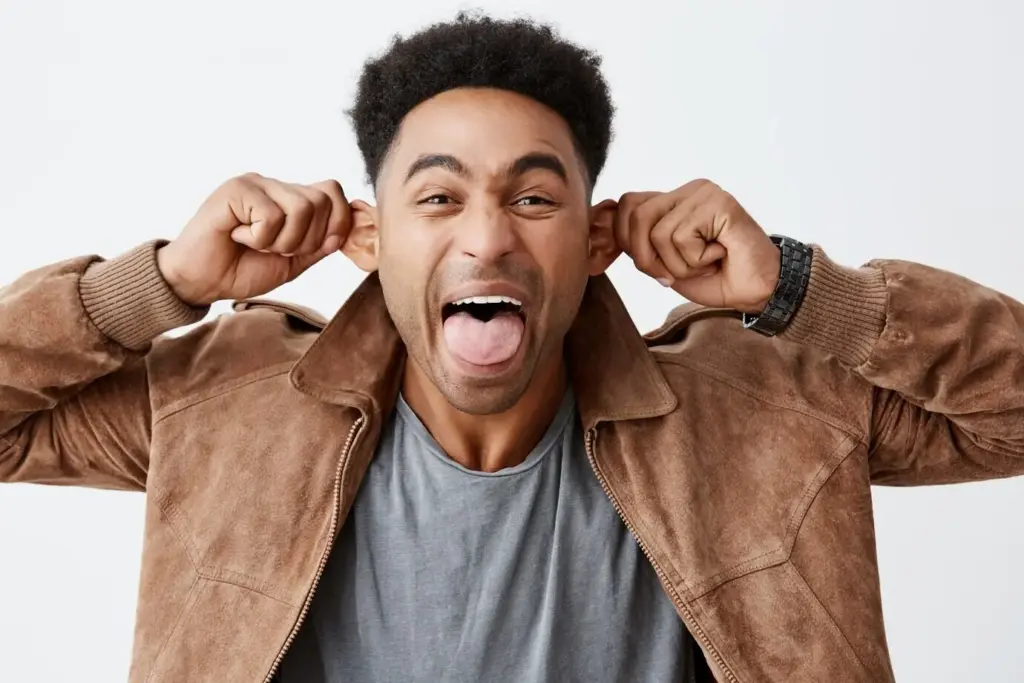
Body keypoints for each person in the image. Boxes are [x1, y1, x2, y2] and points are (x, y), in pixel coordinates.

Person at [1, 11, 1021, 683]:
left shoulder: (765, 411)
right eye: (438, 198)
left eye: (533, 198)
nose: (487, 238)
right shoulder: (223, 406)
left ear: (595, 240)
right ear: (370, 240)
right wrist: (163, 284)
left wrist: (798, 289)